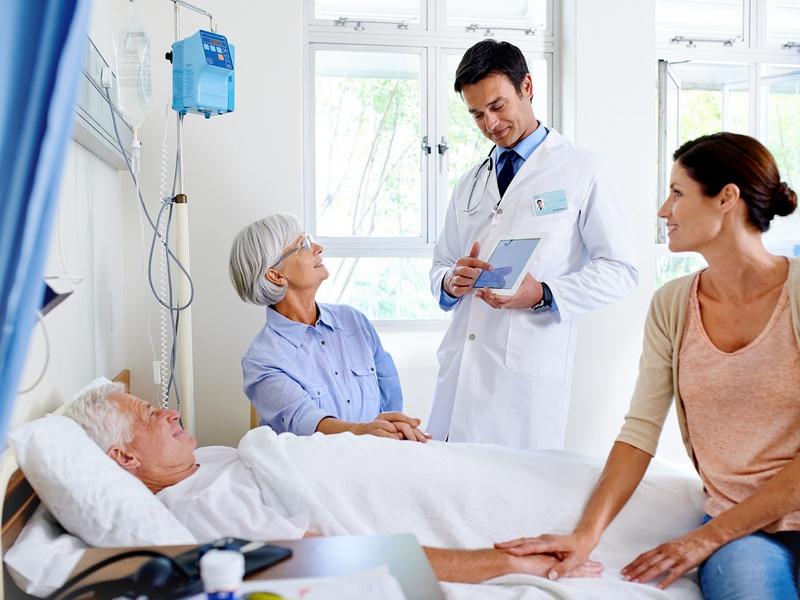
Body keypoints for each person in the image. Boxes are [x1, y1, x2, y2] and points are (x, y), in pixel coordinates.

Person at [496, 133, 800, 599]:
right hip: (745, 535)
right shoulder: (673, 305)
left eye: (677, 193)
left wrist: (705, 538)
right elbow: (639, 432)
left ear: (726, 198)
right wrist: (586, 534)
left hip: (729, 530)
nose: (664, 210)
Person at [63, 382, 603, 584]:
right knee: (565, 498)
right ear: (124, 457)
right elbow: (335, 555)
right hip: (410, 494)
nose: (170, 411)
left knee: (558, 473)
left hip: (416, 463)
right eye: (151, 412)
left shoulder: (207, 460)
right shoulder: (202, 509)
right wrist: (502, 562)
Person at [429, 39, 638, 449]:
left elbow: (621, 270)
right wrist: (450, 281)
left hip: (523, 378)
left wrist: (542, 294)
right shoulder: (470, 181)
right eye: (476, 114)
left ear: (527, 86)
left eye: (497, 106)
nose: (489, 124)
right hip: (460, 371)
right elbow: (440, 264)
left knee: (517, 501)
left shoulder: (584, 170)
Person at [229, 214, 427, 442]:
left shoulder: (354, 321)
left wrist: (393, 434)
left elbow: (390, 396)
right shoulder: (262, 360)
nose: (318, 248)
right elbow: (304, 420)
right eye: (302, 245)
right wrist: (363, 433)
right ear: (275, 275)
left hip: (377, 458)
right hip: (313, 470)